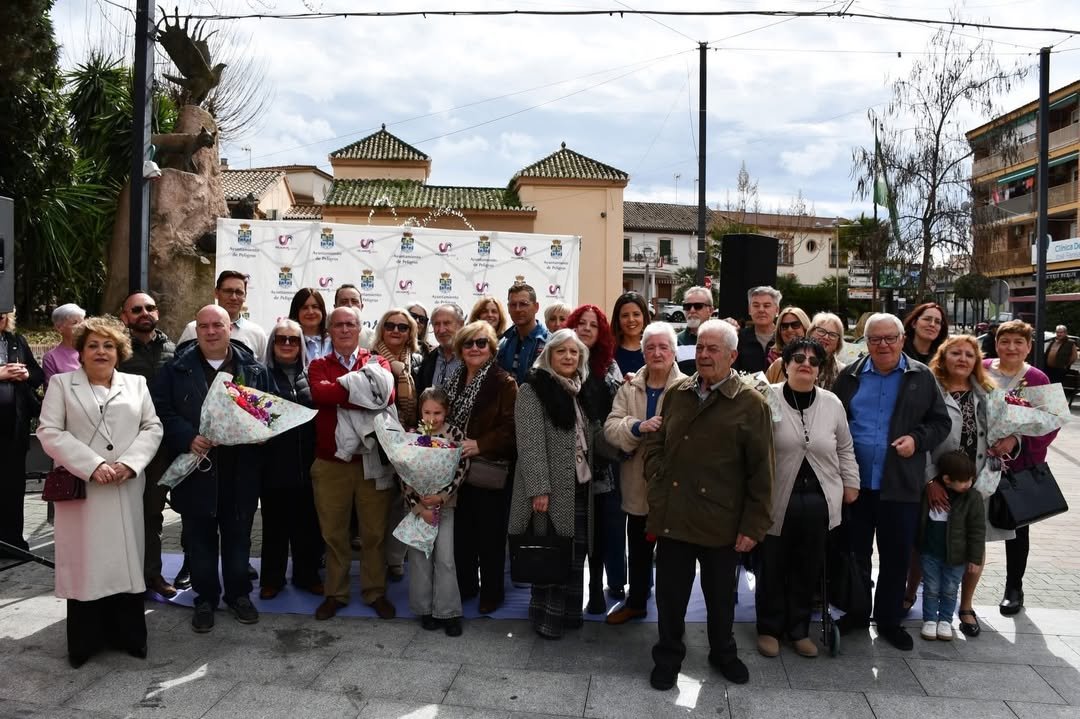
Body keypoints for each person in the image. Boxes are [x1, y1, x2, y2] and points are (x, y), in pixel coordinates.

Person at [644, 319, 774, 689]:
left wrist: (753, 525)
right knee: (670, 597)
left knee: (720, 599)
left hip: (722, 520)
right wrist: (656, 472)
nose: (703, 355)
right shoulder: (678, 391)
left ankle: (723, 654)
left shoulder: (750, 404)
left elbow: (762, 471)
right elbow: (657, 440)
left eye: (713, 349)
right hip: (674, 514)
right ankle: (668, 656)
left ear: (732, 355)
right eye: (700, 347)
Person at [37, 315, 163, 668]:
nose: (101, 351)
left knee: (124, 561)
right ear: (80, 351)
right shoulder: (62, 384)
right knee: (87, 565)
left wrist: (130, 463)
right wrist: (92, 465)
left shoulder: (136, 384)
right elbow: (49, 432)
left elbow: (152, 427)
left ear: (119, 351)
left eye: (108, 345)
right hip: (84, 490)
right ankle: (84, 643)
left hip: (125, 485)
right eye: (93, 345)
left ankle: (130, 637)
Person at [831, 313, 952, 651]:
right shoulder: (849, 376)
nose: (882, 345)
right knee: (855, 554)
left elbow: (940, 423)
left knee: (896, 557)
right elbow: (833, 420)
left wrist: (916, 439)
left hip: (899, 485)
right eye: (875, 339)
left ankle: (888, 620)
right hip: (854, 485)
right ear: (865, 342)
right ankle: (856, 613)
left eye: (889, 338)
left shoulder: (921, 376)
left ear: (902, 339)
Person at [152, 305, 275, 633]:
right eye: (203, 326)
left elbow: (269, 411)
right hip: (197, 470)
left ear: (229, 328)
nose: (210, 331)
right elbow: (160, 410)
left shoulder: (253, 369)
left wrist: (262, 432)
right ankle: (205, 599)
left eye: (217, 325)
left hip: (240, 471)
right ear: (196, 331)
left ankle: (238, 596)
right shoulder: (176, 369)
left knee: (238, 540)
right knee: (200, 542)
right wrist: (187, 436)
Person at [756, 338, 859, 659]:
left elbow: (845, 447)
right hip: (776, 498)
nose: (806, 364)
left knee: (808, 566)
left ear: (819, 370)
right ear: (785, 365)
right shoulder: (765, 397)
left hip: (819, 499)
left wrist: (851, 483)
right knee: (772, 565)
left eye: (814, 361)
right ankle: (770, 628)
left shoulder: (832, 403)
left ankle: (799, 629)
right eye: (798, 358)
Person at [307, 306, 398, 621]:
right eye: (338, 325)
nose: (345, 329)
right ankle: (335, 593)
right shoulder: (318, 365)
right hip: (330, 463)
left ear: (360, 329)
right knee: (334, 534)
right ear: (329, 330)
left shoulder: (378, 362)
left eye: (350, 324)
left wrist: (343, 391)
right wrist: (362, 393)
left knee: (374, 533)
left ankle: (375, 592)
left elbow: (386, 397)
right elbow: (320, 394)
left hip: (371, 460)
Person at [509, 329, 597, 639]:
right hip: (549, 490)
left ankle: (571, 614)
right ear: (549, 355)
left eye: (574, 352)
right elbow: (530, 444)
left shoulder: (580, 390)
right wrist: (539, 490)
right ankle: (546, 619)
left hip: (580, 485)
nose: (568, 357)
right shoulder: (532, 390)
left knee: (574, 553)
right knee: (550, 553)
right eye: (561, 351)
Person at [604, 322, 685, 625]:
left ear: (674, 352)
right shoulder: (630, 387)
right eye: (650, 347)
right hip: (637, 484)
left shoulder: (688, 387)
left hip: (675, 487)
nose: (657, 353)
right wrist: (638, 427)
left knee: (673, 558)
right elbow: (611, 426)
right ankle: (636, 602)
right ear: (643, 352)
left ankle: (672, 615)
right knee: (638, 550)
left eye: (663, 347)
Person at [983, 319, 1059, 616]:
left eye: (1018, 342)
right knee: (973, 523)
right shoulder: (982, 369)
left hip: (1017, 466)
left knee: (1016, 527)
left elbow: (1051, 421)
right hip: (978, 460)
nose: (1011, 347)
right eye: (1005, 341)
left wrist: (1015, 441)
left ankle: (1014, 587)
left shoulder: (1037, 378)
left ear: (1029, 347)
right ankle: (964, 588)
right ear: (996, 344)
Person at [447, 320, 518, 613]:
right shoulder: (454, 379)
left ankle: (492, 592)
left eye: (481, 343)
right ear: (460, 348)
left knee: (490, 537)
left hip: (488, 469)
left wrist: (480, 444)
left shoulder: (504, 382)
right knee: (462, 535)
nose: (474, 348)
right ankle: (466, 586)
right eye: (468, 343)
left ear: (491, 348)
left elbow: (512, 427)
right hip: (455, 470)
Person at [117, 291, 177, 598]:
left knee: (153, 513)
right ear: (125, 316)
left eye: (150, 308)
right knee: (123, 515)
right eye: (137, 309)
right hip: (123, 446)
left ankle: (152, 574)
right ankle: (123, 577)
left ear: (157, 313)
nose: (144, 313)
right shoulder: (116, 349)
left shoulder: (173, 350)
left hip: (162, 447)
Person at [566, 303, 626, 611]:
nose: (587, 328)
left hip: (602, 461)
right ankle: (570, 592)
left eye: (593, 324)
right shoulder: (560, 359)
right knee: (573, 529)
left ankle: (596, 587)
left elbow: (619, 406)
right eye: (582, 323)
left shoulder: (609, 365)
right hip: (567, 459)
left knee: (601, 529)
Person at [259, 320, 323, 599]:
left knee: (307, 525)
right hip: (273, 464)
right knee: (274, 526)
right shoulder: (261, 376)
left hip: (307, 464)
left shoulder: (311, 375)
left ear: (301, 345)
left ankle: (307, 576)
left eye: (293, 340)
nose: (287, 344)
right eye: (281, 339)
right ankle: (272, 579)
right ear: (272, 344)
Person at [403, 387, 466, 637]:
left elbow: (461, 468)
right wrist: (418, 506)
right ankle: (424, 610)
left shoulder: (454, 434)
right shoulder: (412, 435)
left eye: (437, 413)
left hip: (445, 507)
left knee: (445, 559)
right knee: (420, 558)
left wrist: (442, 495)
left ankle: (448, 612)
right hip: (419, 508)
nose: (432, 418)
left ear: (446, 411)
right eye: (427, 412)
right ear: (420, 411)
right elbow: (404, 473)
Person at [373, 308, 425, 581]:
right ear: (381, 329)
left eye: (402, 327)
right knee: (378, 505)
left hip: (411, 442)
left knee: (402, 504)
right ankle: (374, 562)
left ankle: (395, 560)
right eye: (390, 325)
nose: (395, 330)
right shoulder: (369, 359)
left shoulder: (417, 360)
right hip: (379, 443)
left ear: (411, 333)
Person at [917, 451, 984, 642]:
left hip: (957, 557)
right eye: (963, 480)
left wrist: (975, 558)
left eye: (970, 479)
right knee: (931, 587)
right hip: (930, 553)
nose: (968, 484)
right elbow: (920, 521)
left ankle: (945, 620)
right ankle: (930, 620)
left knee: (950, 588)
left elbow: (977, 531)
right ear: (947, 479)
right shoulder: (930, 494)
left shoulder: (973, 498)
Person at [0, 309, 45, 558]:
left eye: (3, 315)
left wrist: (27, 375)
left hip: (14, 429)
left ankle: (13, 542)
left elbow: (38, 374)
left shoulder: (16, 340)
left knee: (13, 487)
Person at [177, 271, 269, 362]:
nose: (233, 297)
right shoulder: (192, 329)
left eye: (239, 292)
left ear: (245, 296)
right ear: (216, 293)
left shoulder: (257, 334)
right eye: (228, 291)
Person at [768, 311, 846, 388]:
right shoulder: (780, 364)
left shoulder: (843, 372)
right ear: (810, 333)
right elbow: (763, 391)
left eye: (832, 335)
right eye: (821, 331)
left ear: (838, 343)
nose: (826, 337)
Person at [496, 283, 549, 385]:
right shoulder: (502, 342)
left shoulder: (549, 343)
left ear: (536, 307)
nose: (518, 309)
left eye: (523, 304)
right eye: (513, 305)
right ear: (508, 308)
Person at [416, 303, 464, 395]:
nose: (441, 330)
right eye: (437, 324)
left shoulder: (473, 358)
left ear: (461, 324)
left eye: (447, 323)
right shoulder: (428, 360)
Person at [733, 286, 781, 374]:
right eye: (756, 306)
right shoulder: (739, 338)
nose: (761, 310)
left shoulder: (783, 338)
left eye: (766, 306)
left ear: (777, 310)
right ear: (749, 310)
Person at [42, 303, 86, 388]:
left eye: (82, 322)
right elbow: (51, 390)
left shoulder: (91, 350)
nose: (81, 326)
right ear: (59, 327)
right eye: (75, 323)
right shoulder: (51, 358)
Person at [675, 286, 713, 375]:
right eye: (687, 307)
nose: (692, 310)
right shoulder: (675, 341)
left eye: (698, 306)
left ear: (710, 310)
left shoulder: (722, 339)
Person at [289, 287, 332, 366]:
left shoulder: (334, 340)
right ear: (296, 311)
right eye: (304, 308)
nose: (310, 312)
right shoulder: (287, 341)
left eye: (315, 307)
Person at [612, 291, 650, 377]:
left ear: (644, 316)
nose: (631, 319)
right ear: (618, 319)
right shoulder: (609, 353)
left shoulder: (654, 351)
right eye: (625, 315)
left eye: (636, 314)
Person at [333, 284, 376, 349]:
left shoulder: (373, 338)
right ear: (335, 307)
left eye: (354, 301)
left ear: (361, 306)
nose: (350, 305)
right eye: (344, 302)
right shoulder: (327, 338)